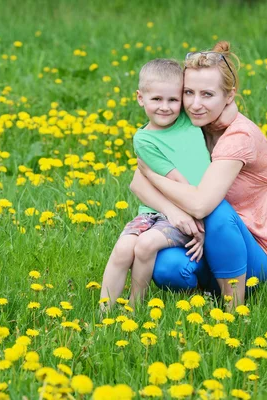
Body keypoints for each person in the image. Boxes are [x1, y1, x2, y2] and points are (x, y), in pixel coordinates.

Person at [132, 41, 267, 308]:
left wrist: (151, 175)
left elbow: (201, 204)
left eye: (208, 95)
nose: (195, 104)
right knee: (166, 268)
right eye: (188, 92)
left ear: (229, 96)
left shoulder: (240, 136)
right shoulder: (189, 126)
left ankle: (233, 308)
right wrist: (174, 212)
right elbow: (137, 185)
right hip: (201, 244)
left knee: (216, 208)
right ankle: (205, 297)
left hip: (253, 257)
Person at [99, 58, 211, 308]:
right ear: (140, 98)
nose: (165, 107)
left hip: (189, 210)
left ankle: (135, 304)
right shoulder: (144, 140)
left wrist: (199, 221)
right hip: (155, 211)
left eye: (173, 100)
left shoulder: (187, 119)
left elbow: (184, 189)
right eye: (156, 99)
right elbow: (174, 179)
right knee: (123, 248)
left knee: (146, 244)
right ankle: (104, 312)